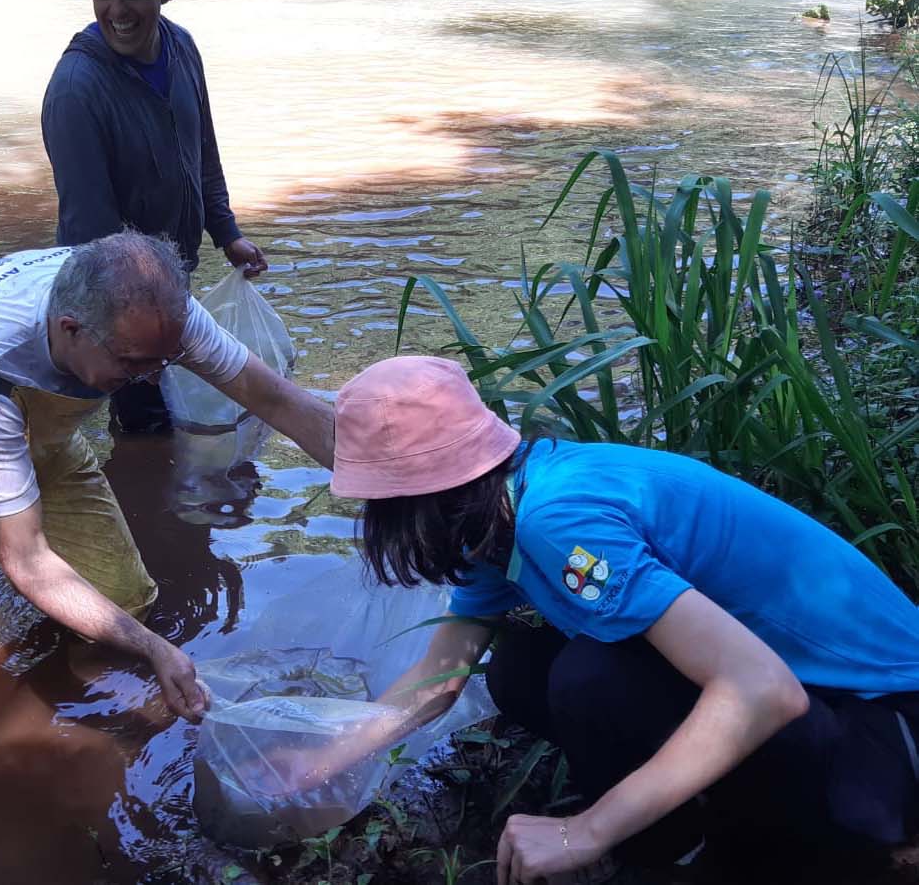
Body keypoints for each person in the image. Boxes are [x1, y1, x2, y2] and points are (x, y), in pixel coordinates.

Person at [308, 356, 918, 883]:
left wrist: (587, 832)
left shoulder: (558, 518)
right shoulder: (494, 510)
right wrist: (318, 760)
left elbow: (763, 688)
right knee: (521, 671)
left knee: (590, 676)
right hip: (784, 681)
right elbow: (442, 674)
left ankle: (686, 840)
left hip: (883, 706)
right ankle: (674, 832)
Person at [0, 232, 332, 723]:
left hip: (45, 429)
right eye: (133, 364)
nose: (151, 378)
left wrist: (390, 483)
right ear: (71, 330)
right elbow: (27, 558)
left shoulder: (155, 310)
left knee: (124, 597)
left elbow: (275, 399)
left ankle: (84, 710)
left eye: (163, 361)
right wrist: (153, 648)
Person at [42, 0, 267, 433]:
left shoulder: (180, 46)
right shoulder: (75, 92)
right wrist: (135, 326)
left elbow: (202, 149)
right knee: (146, 429)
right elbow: (92, 233)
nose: (118, 11)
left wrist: (227, 233)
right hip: (115, 302)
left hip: (165, 285)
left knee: (172, 437)